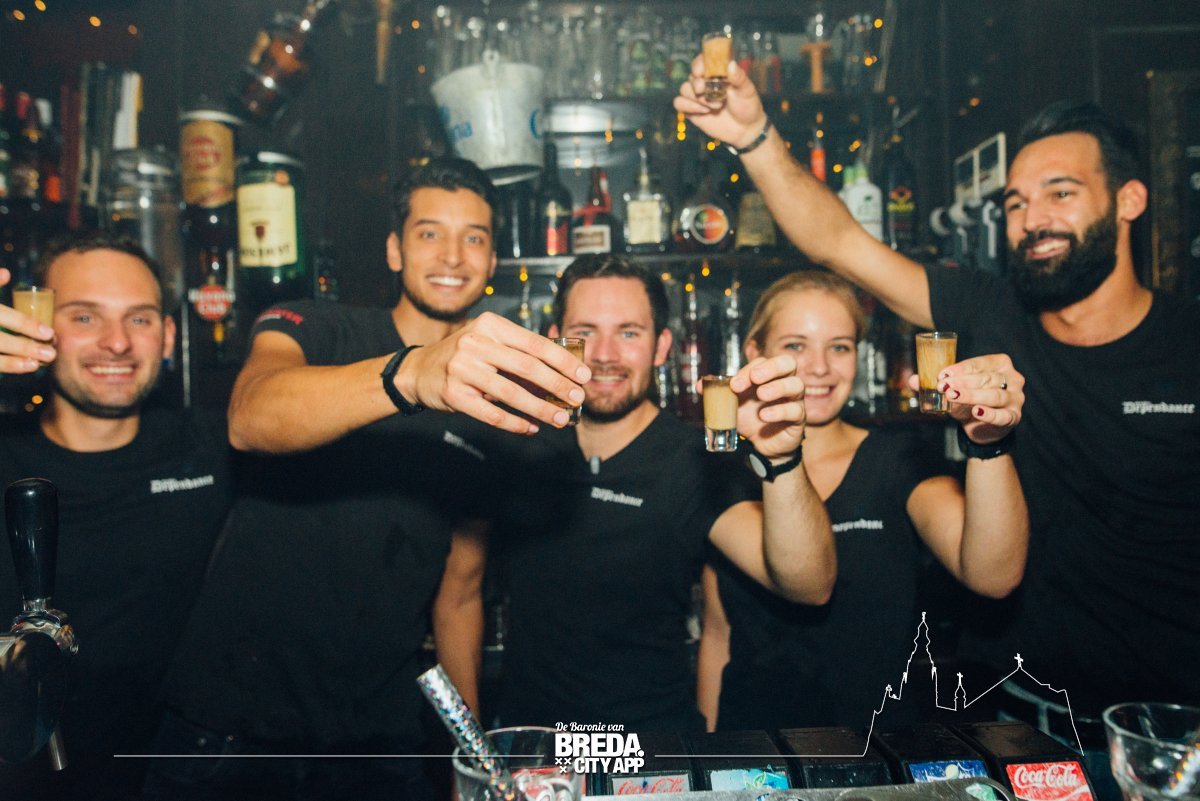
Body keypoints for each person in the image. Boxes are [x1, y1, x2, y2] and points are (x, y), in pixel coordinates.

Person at [675, 62, 1200, 748]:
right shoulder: (989, 312)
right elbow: (838, 243)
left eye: (1061, 193)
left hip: (1173, 720)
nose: (1033, 219)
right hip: (1022, 714)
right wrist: (754, 138)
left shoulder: (1188, 345)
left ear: (1129, 199)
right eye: (1015, 203)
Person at [143, 158, 590, 801]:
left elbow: (460, 593)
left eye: (473, 238)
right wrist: (411, 375)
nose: (453, 256)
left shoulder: (494, 409)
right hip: (230, 732)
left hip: (377, 740)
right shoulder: (318, 328)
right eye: (430, 233)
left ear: (492, 261)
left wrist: (473, 758)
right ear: (394, 250)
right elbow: (250, 416)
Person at [435, 254, 837, 733]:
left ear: (661, 346)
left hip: (653, 753)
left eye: (629, 333)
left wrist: (783, 460)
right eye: (585, 332)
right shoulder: (515, 443)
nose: (605, 354)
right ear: (556, 341)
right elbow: (457, 597)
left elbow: (809, 585)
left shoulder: (695, 459)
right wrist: (471, 747)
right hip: (536, 750)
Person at [695, 270, 1028, 733]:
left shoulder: (897, 458)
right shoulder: (724, 470)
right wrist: (711, 751)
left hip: (879, 746)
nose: (819, 368)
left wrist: (988, 443)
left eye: (839, 347)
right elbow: (717, 632)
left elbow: (993, 575)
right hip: (757, 749)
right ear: (755, 353)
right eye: (795, 345)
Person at [0, 231, 233, 801]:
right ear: (36, 324)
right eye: (85, 317)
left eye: (140, 319)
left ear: (169, 335)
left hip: (177, 774)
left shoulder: (214, 449)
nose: (117, 343)